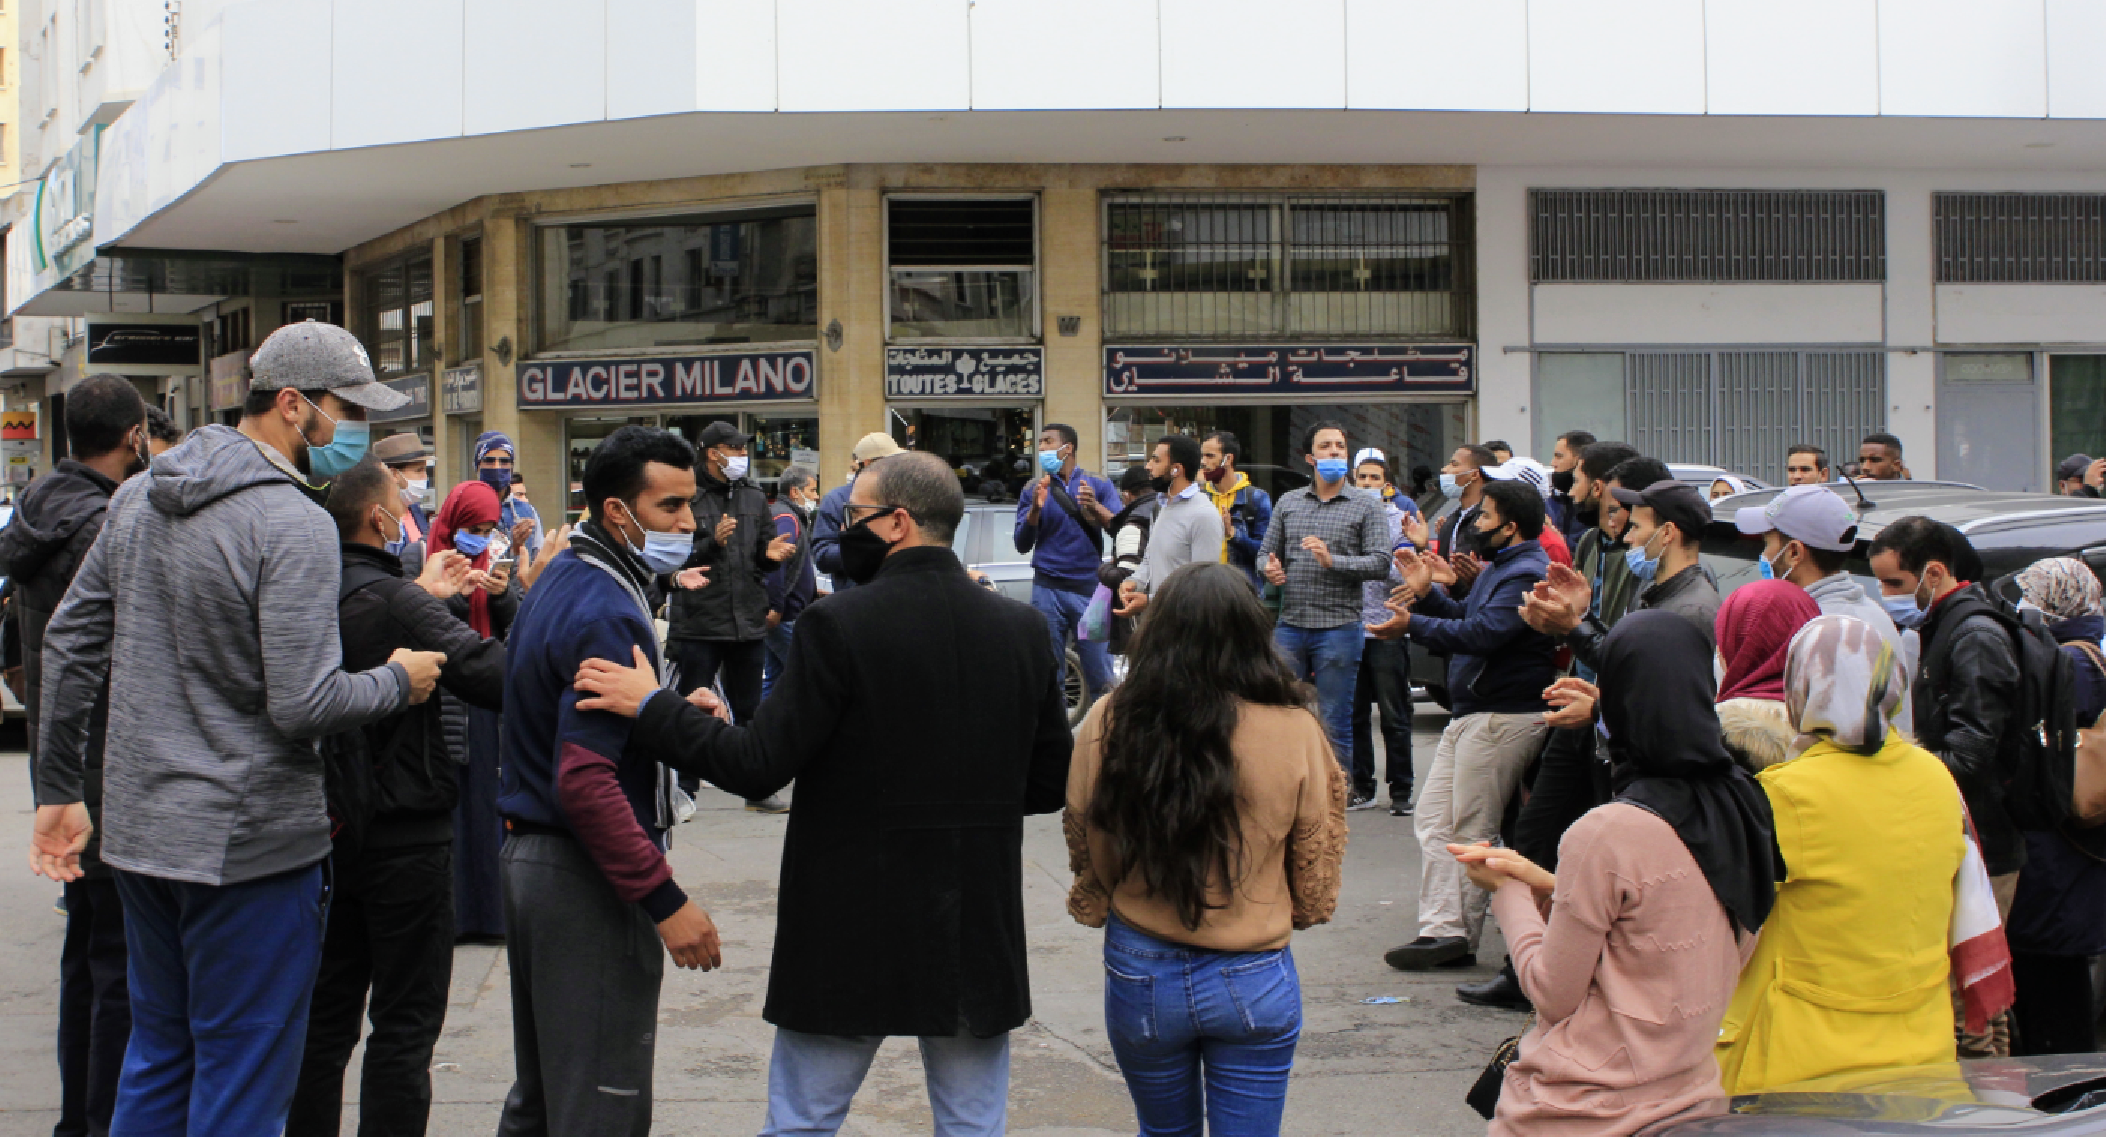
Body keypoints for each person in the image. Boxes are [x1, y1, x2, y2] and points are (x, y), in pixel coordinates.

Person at [570, 450, 1072, 1137]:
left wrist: (653, 708)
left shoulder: (842, 625)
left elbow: (755, 765)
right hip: (972, 922)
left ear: (898, 523)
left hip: (851, 920)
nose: (839, 531)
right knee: (973, 1125)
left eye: (853, 515)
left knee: (803, 1122)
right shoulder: (1022, 629)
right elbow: (1046, 783)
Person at [30, 320, 445, 1135]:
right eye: (346, 409)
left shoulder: (141, 494)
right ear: (293, 406)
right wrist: (399, 679)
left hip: (144, 833)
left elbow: (69, 639)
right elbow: (304, 702)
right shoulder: (291, 523)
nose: (353, 432)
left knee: (158, 1055)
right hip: (250, 845)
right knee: (244, 1073)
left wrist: (58, 788)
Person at [1454, 609, 1773, 1137]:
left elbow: (1552, 993)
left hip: (1584, 1111)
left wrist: (1507, 891)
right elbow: (1673, 933)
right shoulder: (1745, 807)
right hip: (1692, 1096)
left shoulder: (1607, 832)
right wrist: (1552, 887)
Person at [494, 424, 723, 1135]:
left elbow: (570, 712)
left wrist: (661, 714)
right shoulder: (604, 603)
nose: (689, 522)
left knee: (546, 1100)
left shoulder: (571, 574)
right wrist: (664, 899)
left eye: (691, 505)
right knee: (599, 1102)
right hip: (580, 875)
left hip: (540, 863)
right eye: (670, 507)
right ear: (617, 511)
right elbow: (585, 780)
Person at [1065, 562, 1347, 1136]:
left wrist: (1107, 891)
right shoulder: (1295, 726)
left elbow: (1087, 828)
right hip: (1253, 964)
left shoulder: (1113, 718)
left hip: (1142, 960)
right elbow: (1317, 842)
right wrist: (1306, 905)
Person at [288, 458, 505, 1137]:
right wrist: (521, 602)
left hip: (326, 828)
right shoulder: (392, 598)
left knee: (325, 1022)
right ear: (379, 519)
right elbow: (488, 673)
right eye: (398, 498)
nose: (407, 507)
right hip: (404, 831)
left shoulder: (312, 590)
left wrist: (423, 592)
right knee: (405, 1023)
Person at [1715, 614, 1965, 1091]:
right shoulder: (1936, 778)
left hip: (1804, 1057)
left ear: (1800, 688)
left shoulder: (1786, 794)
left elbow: (1724, 913)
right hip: (1922, 1047)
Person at [0, 373, 145, 1137]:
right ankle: (101, 1120)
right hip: (104, 771)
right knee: (119, 967)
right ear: (133, 437)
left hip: (63, 767)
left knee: (86, 958)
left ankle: (77, 1120)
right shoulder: (103, 525)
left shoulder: (38, 510)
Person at [1371, 479, 1556, 971]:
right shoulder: (1505, 568)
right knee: (1435, 820)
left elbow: (1483, 634)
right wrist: (1427, 596)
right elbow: (1465, 617)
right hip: (1475, 713)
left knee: (1473, 829)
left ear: (1511, 528)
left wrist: (1412, 622)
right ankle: (1442, 929)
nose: (1476, 524)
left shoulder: (1526, 573)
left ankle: (1459, 936)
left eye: (1487, 517)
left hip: (1503, 716)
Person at [1866, 516, 2022, 1057]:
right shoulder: (1946, 626)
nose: (1887, 599)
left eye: (1895, 585)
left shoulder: (1974, 633)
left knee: (1971, 1004)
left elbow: (1974, 746)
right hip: (1965, 831)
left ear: (1933, 572)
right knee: (1977, 1001)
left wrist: (1910, 780)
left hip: (1982, 837)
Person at [1256, 422, 1392, 798]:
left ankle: (1336, 793)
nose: (1335, 452)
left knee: (1335, 717)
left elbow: (1381, 562)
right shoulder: (1289, 502)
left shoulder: (1366, 503)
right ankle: (1284, 790)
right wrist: (1270, 568)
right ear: (1310, 458)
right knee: (1282, 712)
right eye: (1326, 447)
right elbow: (1264, 554)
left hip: (1339, 627)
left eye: (1340, 447)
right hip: (1291, 624)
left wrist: (1335, 561)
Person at [2003, 559, 2106, 1056]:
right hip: (2083, 844)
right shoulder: (2095, 648)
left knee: (2053, 991)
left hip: (2057, 842)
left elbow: (2041, 745)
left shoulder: (2070, 663)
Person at [669, 420, 796, 814]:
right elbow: (672, 558)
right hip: (700, 621)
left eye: (743, 451)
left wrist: (769, 555)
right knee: (692, 705)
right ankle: (685, 790)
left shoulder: (754, 497)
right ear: (712, 452)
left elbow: (760, 552)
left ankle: (754, 787)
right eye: (735, 450)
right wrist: (711, 543)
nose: (742, 457)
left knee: (750, 709)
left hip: (746, 620)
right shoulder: (686, 497)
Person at [1735, 484, 1911, 732]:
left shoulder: (1816, 629)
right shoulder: (1873, 614)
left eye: (1767, 543)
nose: (1764, 554)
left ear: (1794, 552)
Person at [429, 479, 523, 941]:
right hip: (445, 701)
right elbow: (425, 622)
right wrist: (458, 594)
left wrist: (502, 594)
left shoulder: (496, 560)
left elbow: (518, 627)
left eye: (488, 528)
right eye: (472, 527)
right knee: (454, 811)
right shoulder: (425, 560)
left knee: (489, 808)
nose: (480, 537)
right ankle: (458, 914)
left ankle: (492, 915)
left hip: (487, 706)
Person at [1015, 423, 1118, 713]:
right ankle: (1059, 750)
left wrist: (1095, 507)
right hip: (1046, 592)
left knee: (1101, 676)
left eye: (1048, 442)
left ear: (1067, 448)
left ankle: (1106, 746)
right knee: (1050, 678)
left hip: (1091, 594)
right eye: (1040, 442)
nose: (1042, 448)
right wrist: (1035, 510)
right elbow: (1022, 544)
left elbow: (1121, 531)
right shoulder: (1032, 489)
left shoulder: (1098, 485)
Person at [1351, 450, 1416, 815]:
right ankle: (1362, 786)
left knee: (1394, 714)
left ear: (1387, 486)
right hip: (1350, 629)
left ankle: (1401, 790)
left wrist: (1368, 559)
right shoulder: (1344, 517)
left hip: (1388, 629)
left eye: (1375, 479)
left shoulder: (1399, 522)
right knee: (1355, 713)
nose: (1368, 485)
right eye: (1362, 478)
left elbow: (1401, 572)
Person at [1712, 580, 1822, 772]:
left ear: (1739, 647)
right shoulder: (1842, 731)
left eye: (1723, 640)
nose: (1719, 652)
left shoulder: (1713, 736)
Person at [1113, 434, 1225, 618]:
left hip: (1187, 629)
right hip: (1160, 624)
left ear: (1176, 469)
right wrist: (1134, 582)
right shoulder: (1162, 506)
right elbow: (1151, 559)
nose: (1148, 466)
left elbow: (1203, 585)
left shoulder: (1203, 515)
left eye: (1156, 460)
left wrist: (1149, 600)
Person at [812, 431, 904, 593]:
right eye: (891, 461)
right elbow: (822, 556)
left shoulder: (901, 496)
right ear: (868, 463)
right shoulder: (837, 500)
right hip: (854, 600)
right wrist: (857, 547)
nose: (897, 467)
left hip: (895, 594)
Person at [762, 466, 820, 699]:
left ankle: (759, 726)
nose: (816, 496)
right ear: (795, 492)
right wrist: (775, 607)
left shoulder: (788, 515)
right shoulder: (786, 518)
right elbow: (777, 565)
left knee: (775, 678)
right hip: (785, 615)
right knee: (808, 675)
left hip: (785, 612)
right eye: (812, 490)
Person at [1200, 430, 1272, 588]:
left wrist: (1233, 534)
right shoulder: (1200, 498)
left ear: (1228, 458)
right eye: (1202, 456)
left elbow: (1264, 551)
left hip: (1241, 590)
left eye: (1209, 456)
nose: (1203, 462)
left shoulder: (1256, 498)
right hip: (1205, 589)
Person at [1099, 464, 1158, 655]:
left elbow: (1125, 576)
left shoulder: (1133, 524)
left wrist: (1103, 570)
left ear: (1126, 495)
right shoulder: (1162, 511)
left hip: (1137, 619)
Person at [473, 430, 541, 563]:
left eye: (504, 462)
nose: (497, 467)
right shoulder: (467, 508)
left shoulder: (527, 511)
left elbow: (537, 558)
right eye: (489, 461)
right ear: (477, 466)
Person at [1430, 444, 1497, 561]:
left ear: (1475, 474)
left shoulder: (1488, 520)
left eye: (1454, 464)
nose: (1444, 469)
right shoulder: (1452, 519)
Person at [372, 432, 433, 558]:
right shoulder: (380, 516)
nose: (425, 477)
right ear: (394, 474)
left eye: (425, 470)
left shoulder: (414, 509)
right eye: (419, 470)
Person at [1547, 429, 1596, 547]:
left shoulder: (1591, 507)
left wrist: (1550, 532)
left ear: (1579, 460)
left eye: (1559, 456)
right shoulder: (1557, 500)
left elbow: (1581, 551)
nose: (1553, 463)